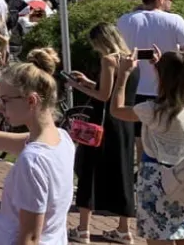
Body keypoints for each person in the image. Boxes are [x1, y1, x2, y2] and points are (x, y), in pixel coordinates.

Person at [0, 48, 75, 245]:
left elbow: (30, 237)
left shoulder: (33, 161)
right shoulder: (62, 139)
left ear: (31, 100)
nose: (1, 108)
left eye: (5, 101)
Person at [109, 50, 184, 244]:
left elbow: (117, 110)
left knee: (159, 236)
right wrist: (160, 67)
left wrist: (123, 75)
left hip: (156, 178)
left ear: (164, 78)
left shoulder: (153, 110)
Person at [66, 23, 137, 243]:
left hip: (103, 122)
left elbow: (104, 95)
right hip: (125, 121)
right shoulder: (131, 60)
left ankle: (83, 228)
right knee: (123, 172)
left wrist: (75, 86)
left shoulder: (108, 60)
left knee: (89, 169)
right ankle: (124, 229)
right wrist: (88, 81)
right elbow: (116, 89)